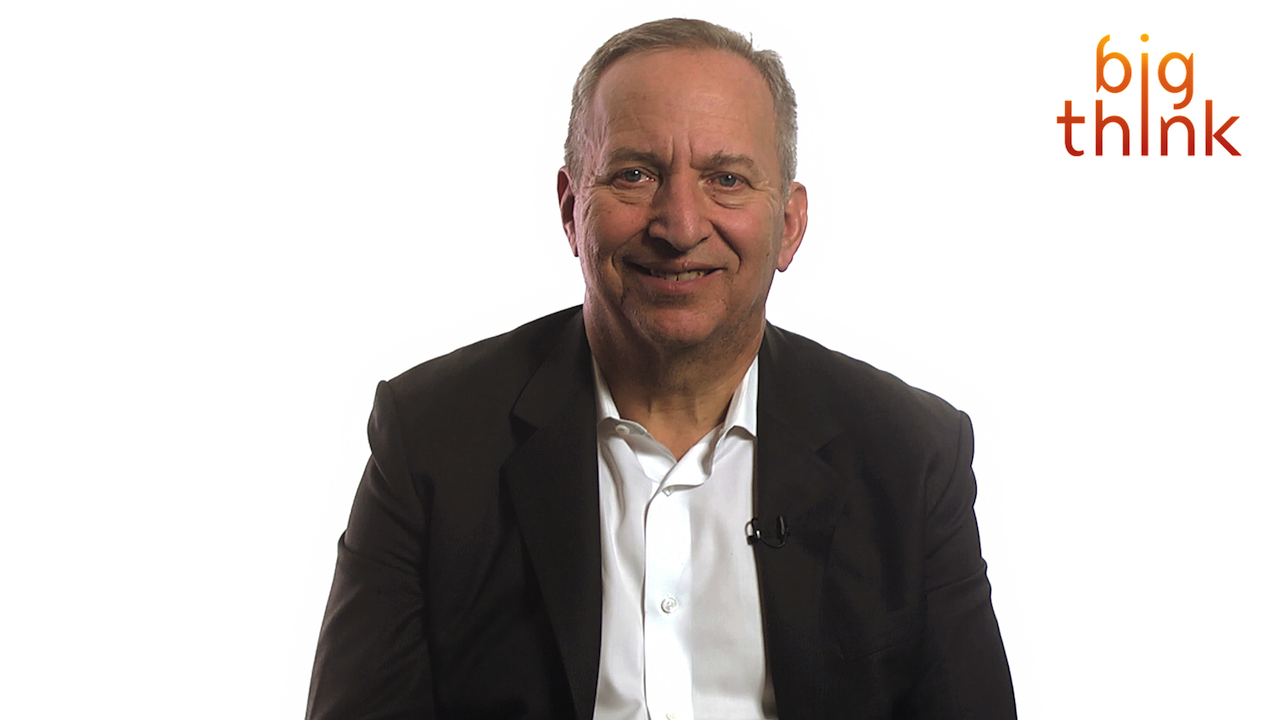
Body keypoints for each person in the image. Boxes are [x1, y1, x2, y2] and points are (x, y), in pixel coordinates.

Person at [306, 17, 1016, 720]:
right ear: (571, 209)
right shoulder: (431, 439)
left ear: (790, 226)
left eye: (727, 179)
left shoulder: (911, 455)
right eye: (635, 175)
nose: (680, 226)